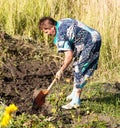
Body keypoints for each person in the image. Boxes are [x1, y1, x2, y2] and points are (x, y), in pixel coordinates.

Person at [38, 17, 101, 109]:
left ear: (52, 28)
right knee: (76, 65)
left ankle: (76, 101)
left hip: (91, 41)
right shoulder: (62, 22)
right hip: (90, 37)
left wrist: (61, 70)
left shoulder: (61, 35)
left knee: (81, 69)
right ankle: (74, 92)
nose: (48, 35)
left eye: (47, 32)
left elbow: (69, 56)